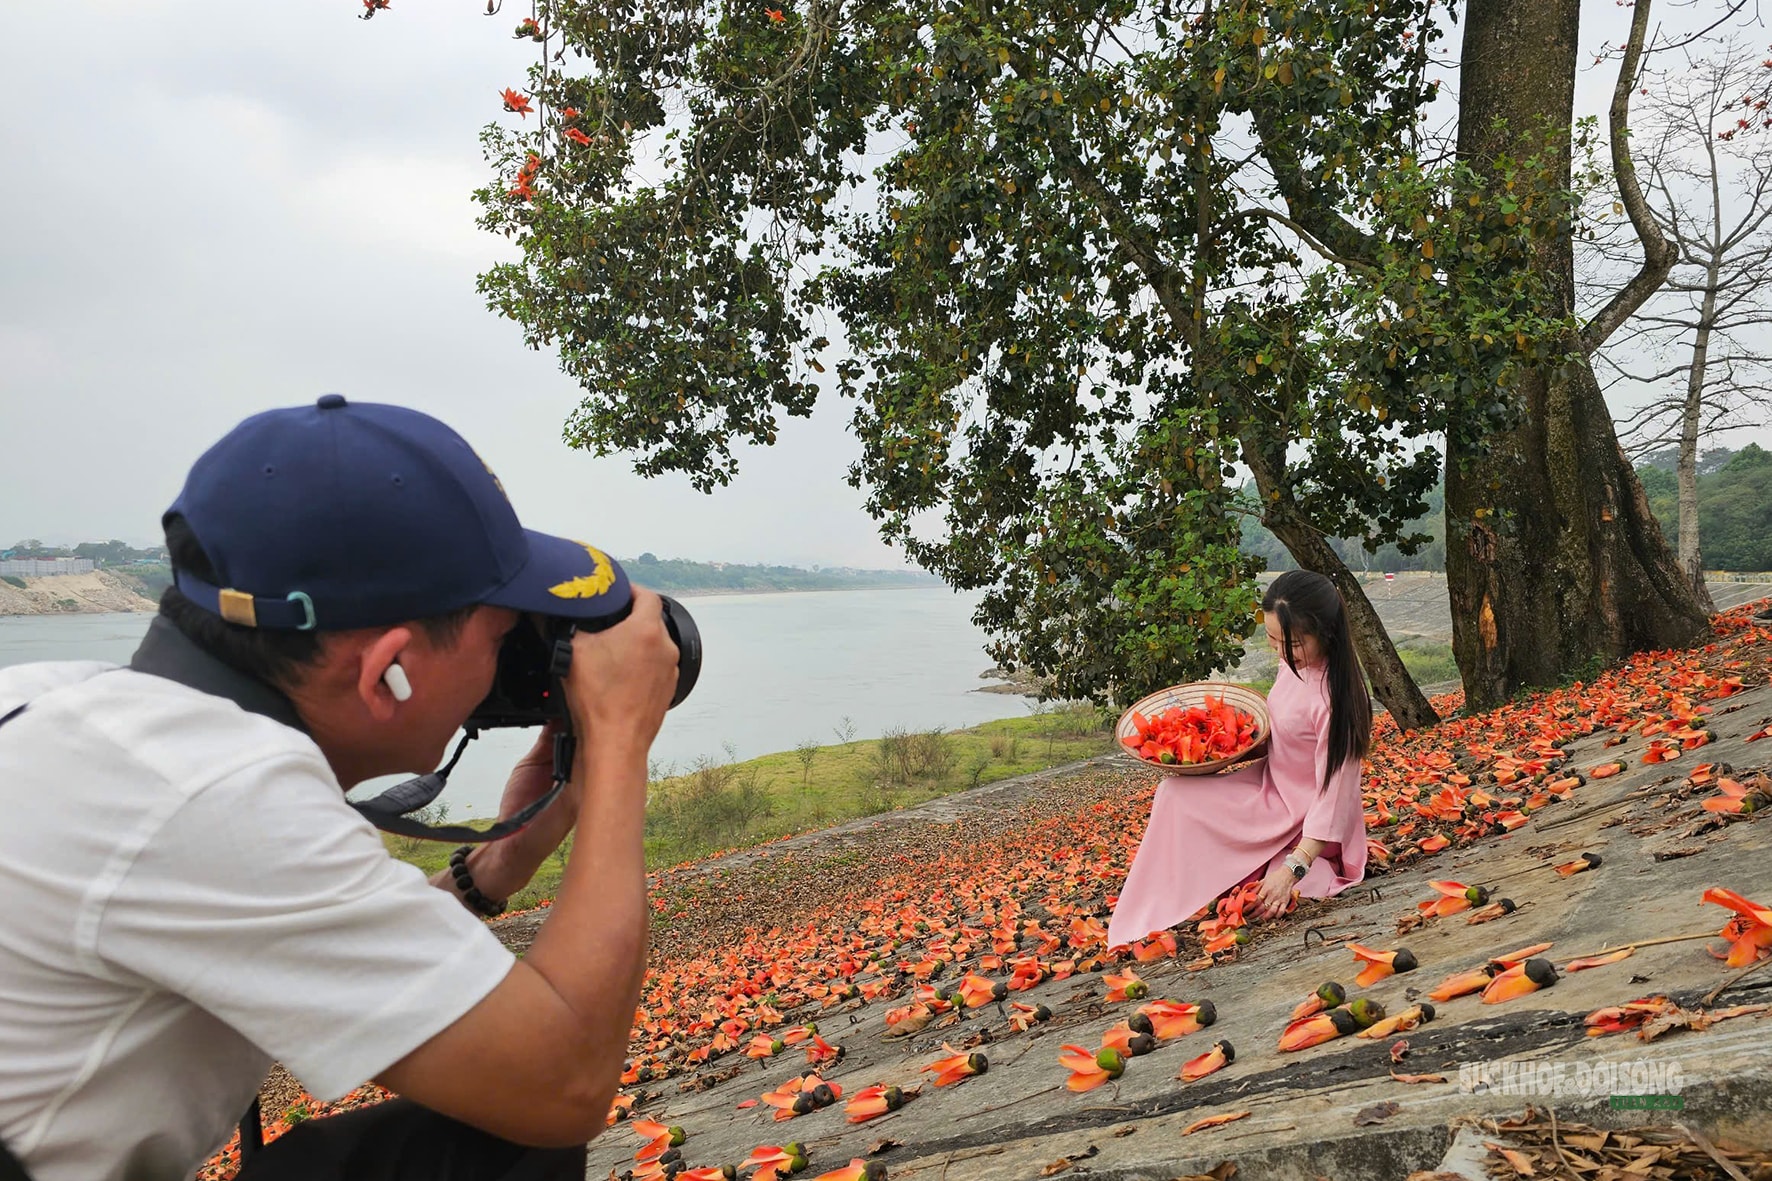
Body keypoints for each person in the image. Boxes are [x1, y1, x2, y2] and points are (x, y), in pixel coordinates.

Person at [0, 396, 681, 1181]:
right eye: (502, 636)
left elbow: (299, 919)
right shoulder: (218, 796)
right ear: (385, 671)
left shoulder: (75, 711)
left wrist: (499, 861)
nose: (510, 666)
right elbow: (561, 1083)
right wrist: (620, 744)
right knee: (509, 1140)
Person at [1107, 570, 1372, 949]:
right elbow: (1285, 733)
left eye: (1293, 643)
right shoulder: (1293, 664)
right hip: (1269, 786)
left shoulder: (1337, 701)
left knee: (1270, 889)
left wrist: (1293, 869)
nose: (1282, 652)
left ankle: (1289, 866)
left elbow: (1335, 797)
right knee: (1175, 794)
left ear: (1325, 633)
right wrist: (1228, 745)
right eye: (1272, 639)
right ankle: (1168, 895)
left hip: (1304, 821)